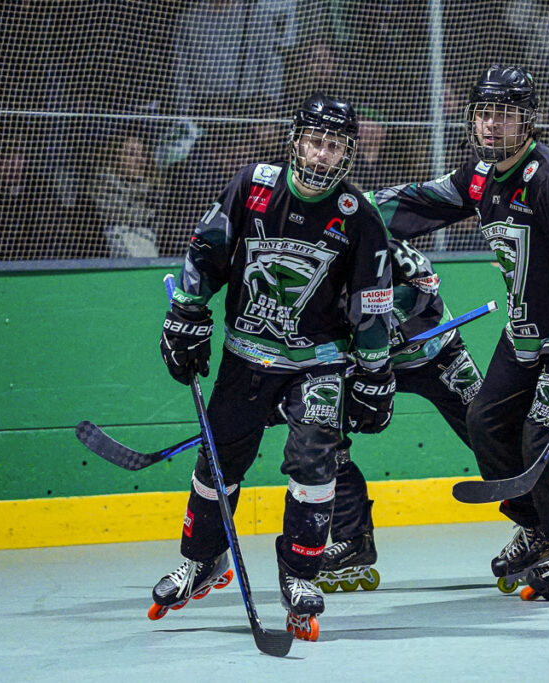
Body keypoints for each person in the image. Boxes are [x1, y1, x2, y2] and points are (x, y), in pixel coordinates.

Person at [370, 64, 549, 601]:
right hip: (525, 337)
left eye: (505, 115)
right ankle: (539, 527)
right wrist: (346, 215)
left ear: (527, 120)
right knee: (486, 420)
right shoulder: (481, 177)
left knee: (547, 440)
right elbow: (417, 204)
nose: (491, 125)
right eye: (483, 114)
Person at [150, 93, 395, 640]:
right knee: (218, 466)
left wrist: (376, 373)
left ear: (347, 153)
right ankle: (202, 560)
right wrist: (186, 315)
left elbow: (373, 300)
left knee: (314, 463)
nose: (321, 153)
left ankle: (301, 575)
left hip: (318, 363)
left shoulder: (358, 215)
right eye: (314, 140)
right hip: (246, 355)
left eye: (333, 145)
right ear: (296, 138)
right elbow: (206, 251)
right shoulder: (254, 183)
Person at [312, 235, 485, 592]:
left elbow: (425, 283)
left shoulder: (376, 242)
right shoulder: (301, 261)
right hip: (363, 368)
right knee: (324, 439)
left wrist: (381, 323)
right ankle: (353, 541)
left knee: (491, 431)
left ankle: (542, 529)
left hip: (434, 353)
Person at [93, 126, 160, 258]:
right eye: (131, 154)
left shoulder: (151, 187)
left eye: (142, 154)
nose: (140, 160)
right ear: (115, 156)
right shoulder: (103, 184)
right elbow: (117, 216)